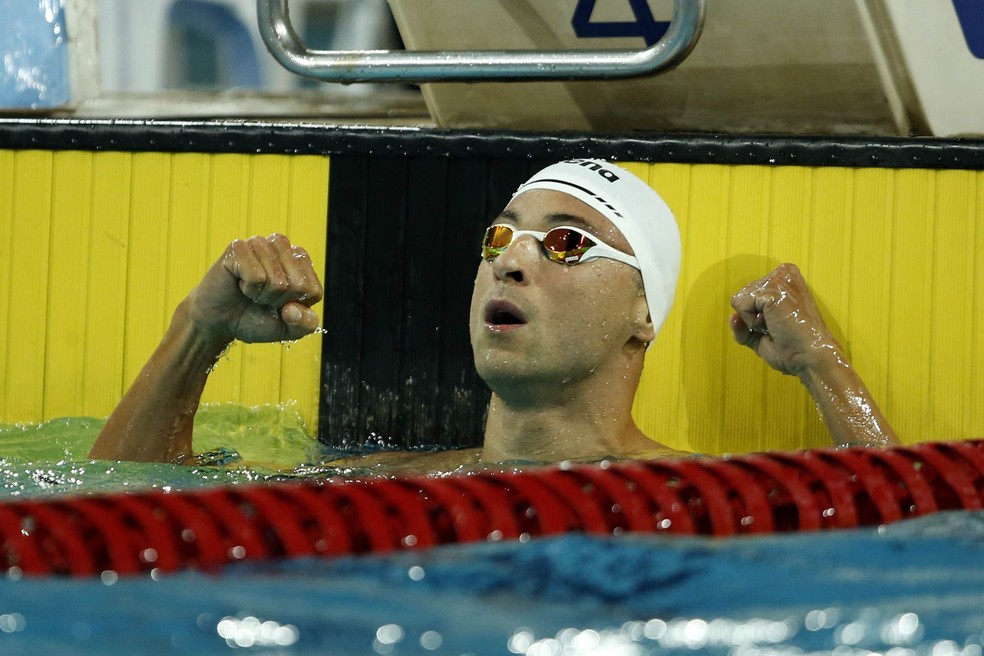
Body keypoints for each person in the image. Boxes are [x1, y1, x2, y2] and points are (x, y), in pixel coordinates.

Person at [88, 159, 897, 465]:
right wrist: (199, 330)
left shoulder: (691, 493)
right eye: (501, 237)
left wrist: (825, 368)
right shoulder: (386, 487)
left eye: (569, 244)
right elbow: (114, 513)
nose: (510, 258)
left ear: (643, 313)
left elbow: (905, 543)